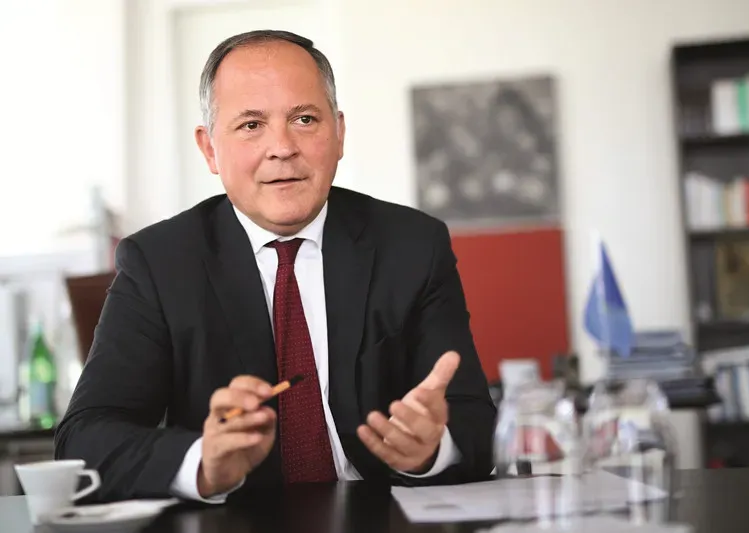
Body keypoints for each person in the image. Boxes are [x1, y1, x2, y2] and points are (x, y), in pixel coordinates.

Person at [54, 29, 496, 504]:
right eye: (251, 125)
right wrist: (202, 461)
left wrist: (432, 449)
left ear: (339, 133)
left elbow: (474, 423)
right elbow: (85, 438)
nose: (282, 147)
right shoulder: (159, 263)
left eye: (304, 119)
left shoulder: (412, 245)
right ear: (209, 149)